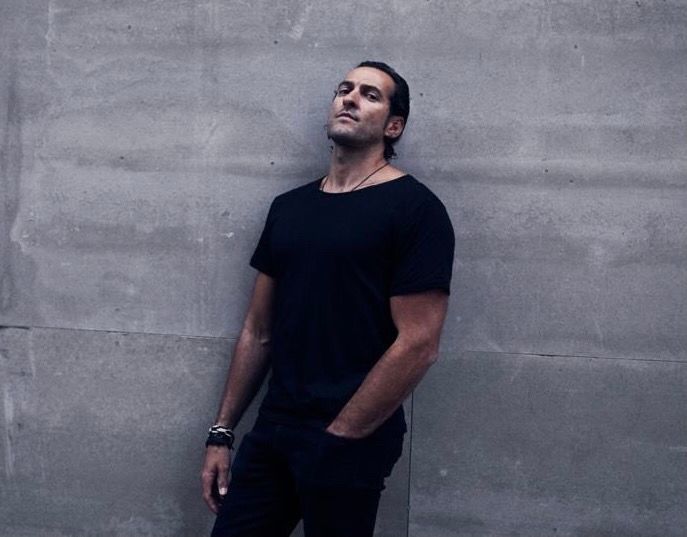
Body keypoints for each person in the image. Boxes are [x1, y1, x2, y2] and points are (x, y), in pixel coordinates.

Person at [201, 60, 455, 537]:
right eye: (344, 89)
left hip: (351, 437)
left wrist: (342, 434)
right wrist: (222, 432)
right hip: (274, 430)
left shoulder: (416, 210)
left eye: (370, 95)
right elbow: (258, 331)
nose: (350, 98)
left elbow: (419, 343)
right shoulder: (289, 208)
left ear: (393, 126)